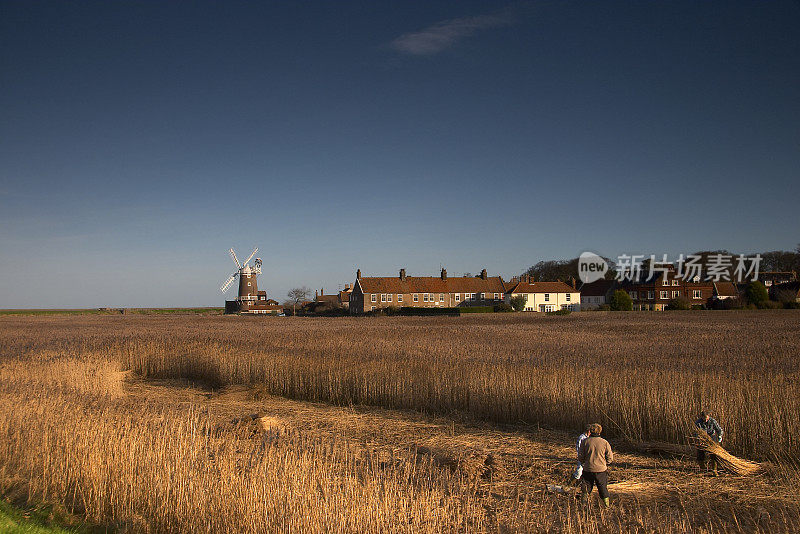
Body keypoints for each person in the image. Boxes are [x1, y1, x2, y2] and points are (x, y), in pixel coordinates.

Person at [578, 422, 613, 508]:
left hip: (588, 469)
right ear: (600, 432)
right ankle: (607, 506)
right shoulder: (604, 442)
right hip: (601, 470)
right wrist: (605, 463)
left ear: (590, 431)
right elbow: (610, 457)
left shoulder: (585, 441)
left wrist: (584, 463)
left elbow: (580, 455)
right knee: (602, 488)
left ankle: (583, 505)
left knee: (586, 488)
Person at [695, 410, 724, 475]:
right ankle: (703, 469)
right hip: (702, 439)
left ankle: (714, 470)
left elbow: (719, 430)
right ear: (701, 417)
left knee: (713, 454)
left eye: (707, 419)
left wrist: (720, 436)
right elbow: (697, 433)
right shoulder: (698, 422)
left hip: (711, 439)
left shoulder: (712, 421)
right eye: (704, 419)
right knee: (700, 454)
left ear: (709, 417)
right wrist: (699, 439)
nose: (705, 420)